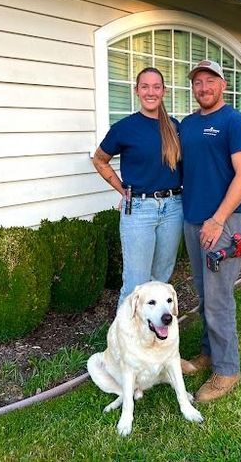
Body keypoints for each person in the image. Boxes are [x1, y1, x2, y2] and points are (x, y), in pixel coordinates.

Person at [179, 59, 241, 403]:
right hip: (192, 220)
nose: (204, 87)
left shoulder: (236, 123)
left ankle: (227, 370)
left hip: (222, 224)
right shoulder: (187, 124)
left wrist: (217, 219)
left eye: (210, 80)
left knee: (219, 298)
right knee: (204, 293)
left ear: (223, 85)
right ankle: (208, 354)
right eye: (198, 82)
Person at [93, 67, 183, 309]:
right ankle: (123, 344)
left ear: (164, 91)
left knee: (161, 281)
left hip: (173, 208)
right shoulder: (125, 127)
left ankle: (152, 338)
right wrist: (122, 189)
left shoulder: (174, 127)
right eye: (145, 86)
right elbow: (99, 159)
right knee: (136, 284)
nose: (150, 92)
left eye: (156, 87)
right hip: (139, 209)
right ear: (137, 91)